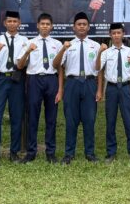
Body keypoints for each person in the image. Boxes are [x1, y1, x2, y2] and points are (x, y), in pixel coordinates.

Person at [53, 12, 101, 164]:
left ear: (88, 27)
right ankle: (69, 153)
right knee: (71, 120)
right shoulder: (68, 45)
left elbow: (100, 69)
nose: (81, 27)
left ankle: (90, 153)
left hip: (89, 83)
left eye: (84, 24)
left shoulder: (96, 46)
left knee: (89, 119)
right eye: (79, 24)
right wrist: (63, 49)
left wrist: (100, 89)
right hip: (72, 83)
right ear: (74, 27)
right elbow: (56, 65)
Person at [0, 10, 29, 168]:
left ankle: (14, 152)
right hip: (1, 79)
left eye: (15, 21)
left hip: (17, 79)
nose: (12, 24)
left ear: (19, 23)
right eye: (9, 21)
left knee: (16, 117)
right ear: (4, 23)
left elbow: (22, 64)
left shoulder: (24, 41)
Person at [17, 13, 63, 163]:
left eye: (47, 24)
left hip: (51, 80)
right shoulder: (29, 43)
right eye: (42, 24)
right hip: (34, 80)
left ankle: (50, 152)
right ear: (37, 25)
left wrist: (60, 89)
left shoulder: (57, 44)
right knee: (32, 117)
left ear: (51, 26)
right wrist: (28, 51)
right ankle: (31, 152)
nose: (45, 26)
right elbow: (20, 65)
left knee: (51, 118)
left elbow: (60, 68)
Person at [95, 23, 130, 162]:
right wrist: (99, 52)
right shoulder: (106, 52)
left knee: (129, 121)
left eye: (118, 33)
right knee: (111, 120)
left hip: (125, 87)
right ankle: (111, 152)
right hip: (112, 88)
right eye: (113, 33)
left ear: (123, 34)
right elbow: (98, 68)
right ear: (110, 35)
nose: (116, 36)